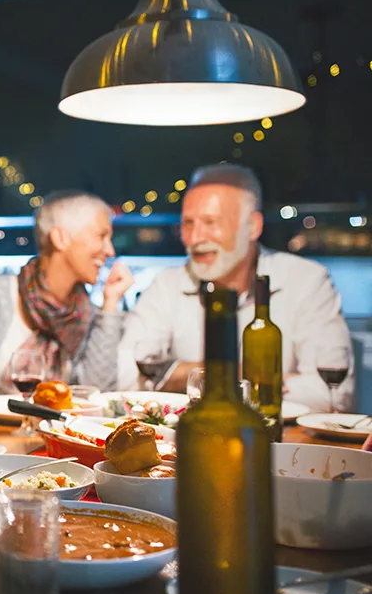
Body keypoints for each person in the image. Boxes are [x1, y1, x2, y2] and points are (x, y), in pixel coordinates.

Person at [118, 163, 353, 411]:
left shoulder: (306, 280)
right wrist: (258, 377)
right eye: (187, 223)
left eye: (211, 222)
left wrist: (182, 375)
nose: (195, 238)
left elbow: (334, 394)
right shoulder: (166, 284)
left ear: (253, 226)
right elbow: (126, 377)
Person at [0, 191, 134, 429]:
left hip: (42, 446)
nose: (110, 250)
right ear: (60, 238)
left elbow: (97, 393)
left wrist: (111, 302)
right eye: (101, 236)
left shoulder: (87, 316)